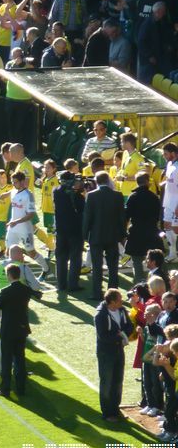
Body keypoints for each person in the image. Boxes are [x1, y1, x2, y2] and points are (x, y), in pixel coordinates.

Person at [0, 264, 39, 398]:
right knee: (20, 359)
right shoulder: (25, 289)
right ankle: (21, 388)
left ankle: (4, 389)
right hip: (21, 328)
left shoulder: (6, 291)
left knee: (5, 361)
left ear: (9, 275)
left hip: (7, 330)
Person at [84, 171, 126, 300]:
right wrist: (122, 235)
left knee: (97, 267)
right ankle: (113, 293)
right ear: (108, 181)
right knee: (113, 267)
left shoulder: (91, 196)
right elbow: (122, 218)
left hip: (96, 236)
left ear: (97, 181)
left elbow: (87, 217)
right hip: (112, 236)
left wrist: (85, 234)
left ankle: (97, 293)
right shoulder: (118, 195)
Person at [94, 288, 133, 422]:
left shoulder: (121, 310)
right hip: (106, 352)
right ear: (112, 302)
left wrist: (123, 336)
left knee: (118, 380)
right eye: (119, 300)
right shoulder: (100, 315)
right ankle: (107, 413)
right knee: (107, 382)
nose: (122, 301)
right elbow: (103, 336)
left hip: (118, 350)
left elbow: (129, 326)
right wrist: (119, 337)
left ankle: (115, 409)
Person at [4, 171, 50, 277]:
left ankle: (46, 268)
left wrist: (16, 221)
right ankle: (13, 276)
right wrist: (2, 195)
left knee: (31, 253)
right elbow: (10, 192)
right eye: (12, 182)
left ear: (22, 182)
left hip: (25, 229)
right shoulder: (13, 191)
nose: (14, 184)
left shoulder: (28, 195)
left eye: (15, 182)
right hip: (13, 228)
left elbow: (31, 214)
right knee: (8, 252)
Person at [125, 172, 163, 283]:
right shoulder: (154, 197)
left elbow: (126, 216)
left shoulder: (133, 197)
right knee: (158, 262)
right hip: (152, 233)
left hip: (136, 233)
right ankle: (161, 284)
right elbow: (158, 216)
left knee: (137, 262)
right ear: (147, 182)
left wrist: (124, 232)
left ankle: (140, 287)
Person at [53, 171, 85, 291]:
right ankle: (73, 284)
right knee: (75, 258)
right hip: (75, 231)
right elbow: (82, 211)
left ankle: (61, 284)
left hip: (61, 230)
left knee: (61, 258)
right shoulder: (77, 197)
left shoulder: (56, 192)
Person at [161, 142, 178, 262]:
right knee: (167, 226)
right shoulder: (169, 164)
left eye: (166, 154)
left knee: (175, 228)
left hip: (176, 202)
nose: (164, 156)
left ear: (173, 153)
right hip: (168, 201)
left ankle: (174, 252)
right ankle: (173, 254)